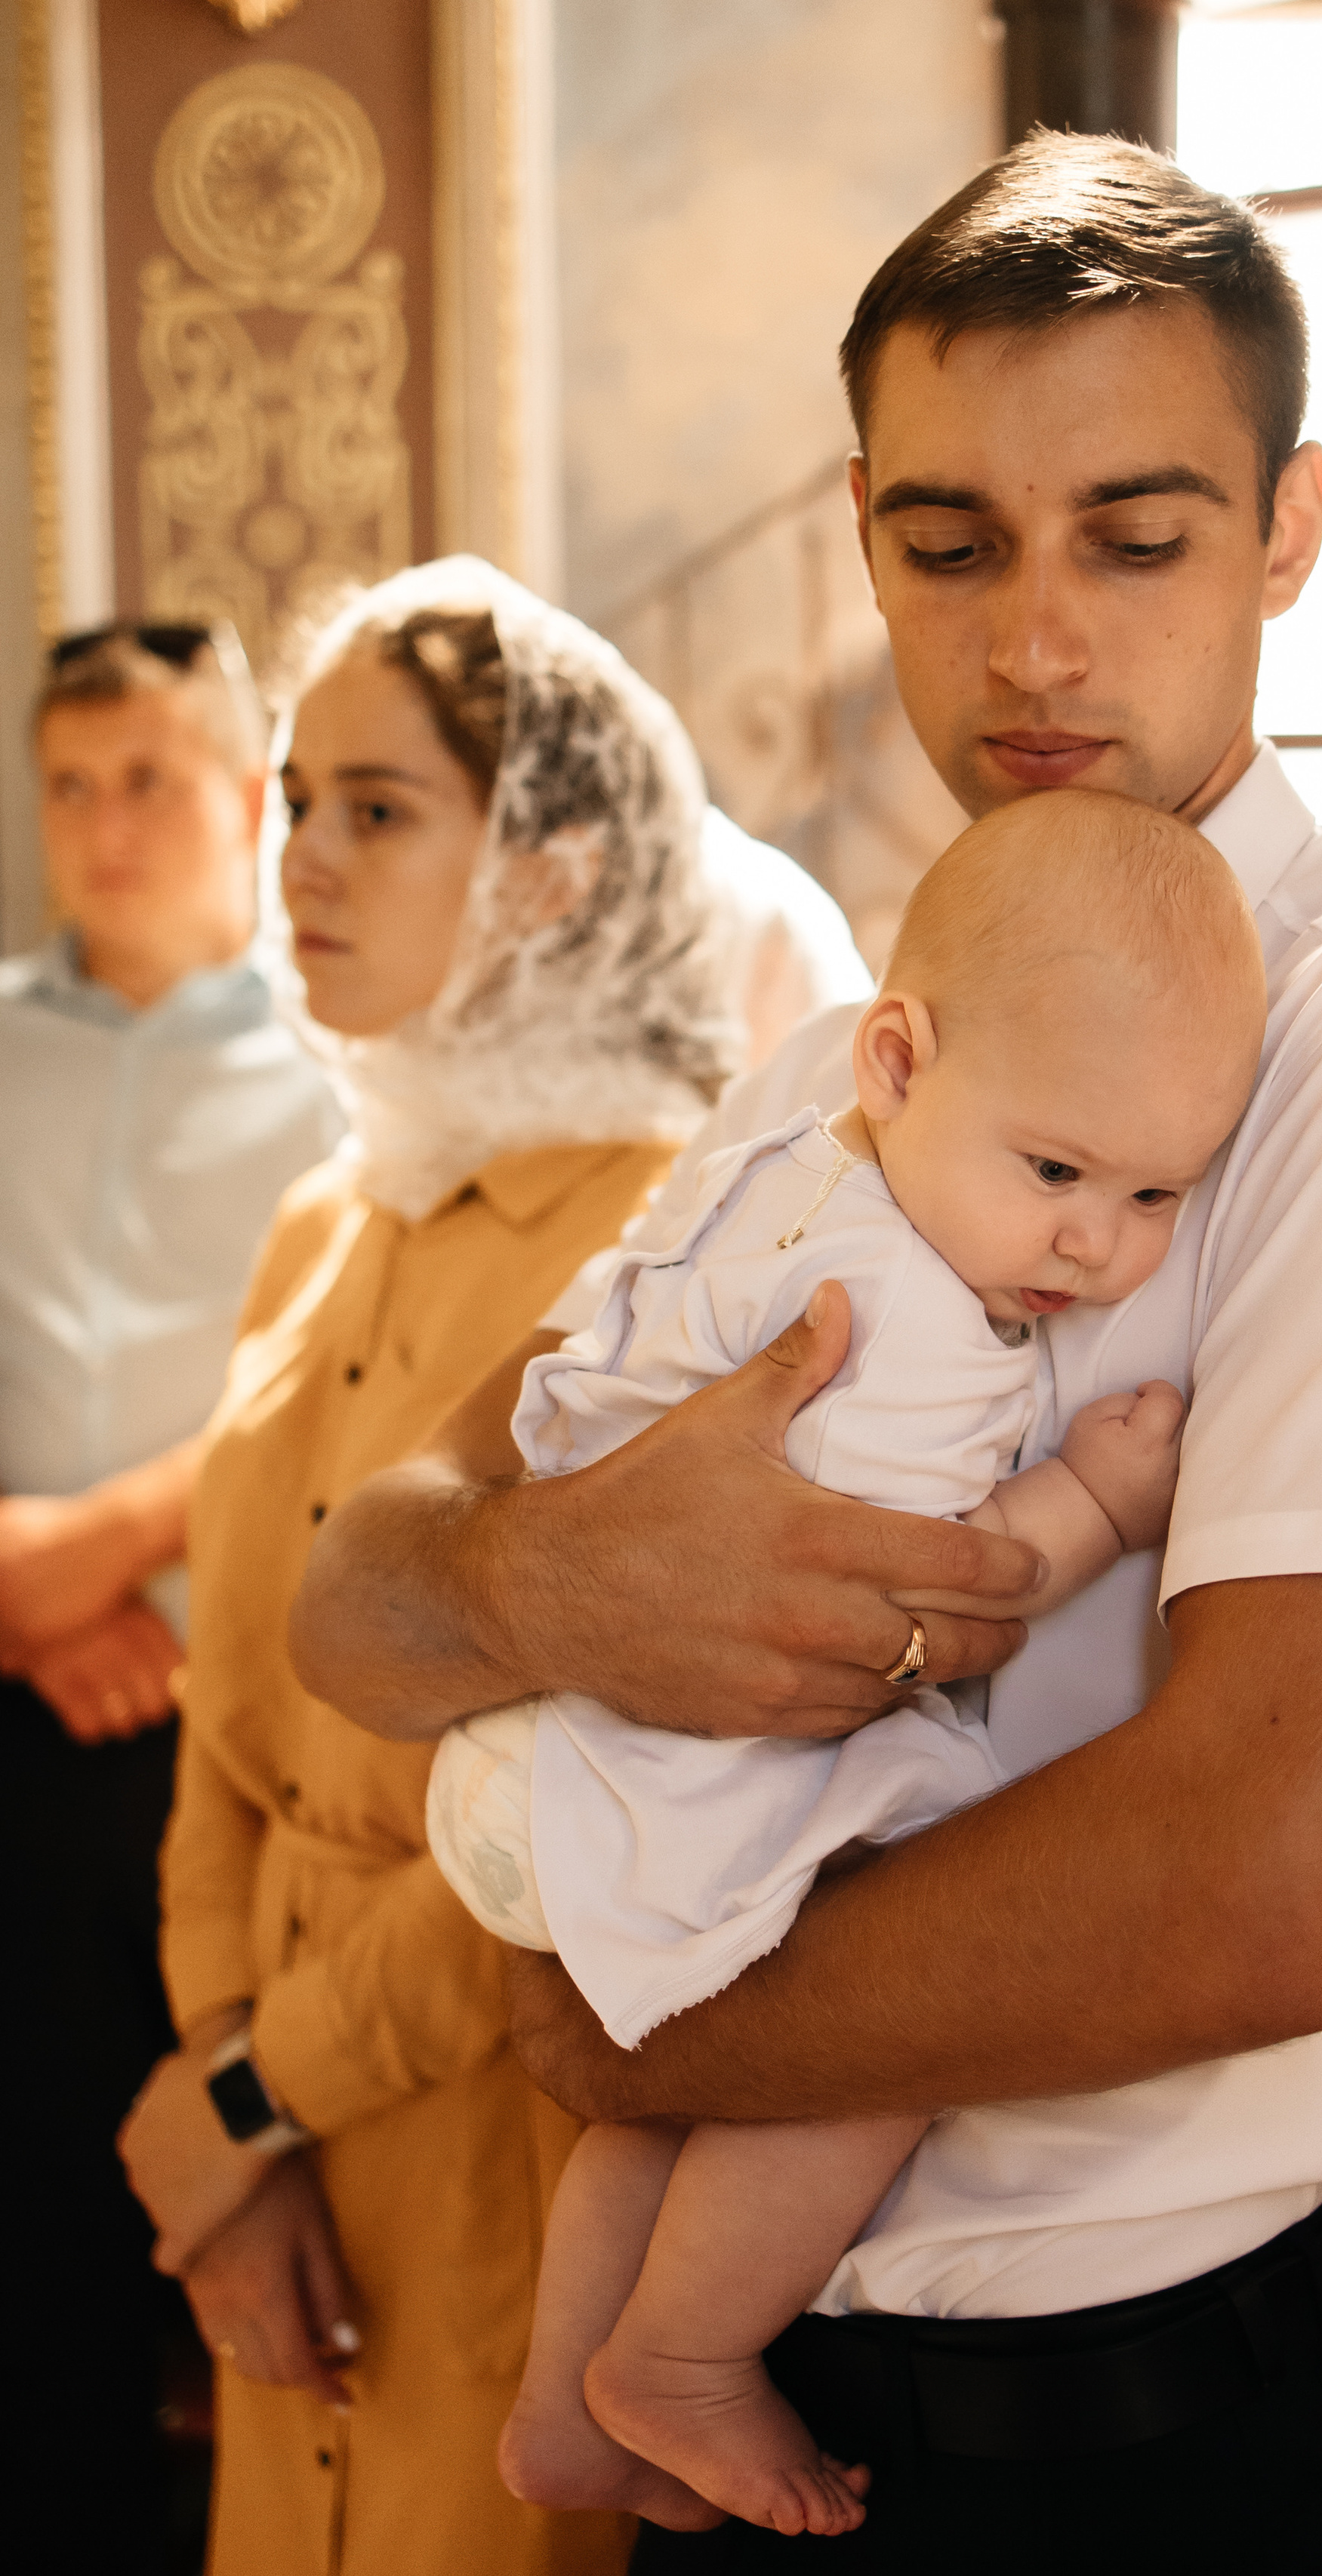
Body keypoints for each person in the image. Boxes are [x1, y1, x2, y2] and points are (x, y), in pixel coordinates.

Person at [294, 137, 1322, 2568]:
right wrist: (564, 1580)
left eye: (1134, 540)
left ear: (1289, 528)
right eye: (949, 545)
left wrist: (633, 2012)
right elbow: (363, 1589)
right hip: (742, 2398)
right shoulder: (849, 1051)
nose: (1032, 640)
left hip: (1141, 2425)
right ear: (864, 537)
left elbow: (1269, 1879)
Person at [431, 791, 1265, 2537]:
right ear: (894, 1057)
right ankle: (679, 2360)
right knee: (881, 2031)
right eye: (1055, 1172)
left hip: (553, 1751)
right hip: (681, 1767)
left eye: (1152, 1196)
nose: (1094, 1244)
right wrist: (1095, 1500)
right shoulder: (901, 1328)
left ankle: (565, 2408)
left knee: (674, 2083)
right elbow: (932, 1592)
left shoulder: (784, 1166)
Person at [113, 556, 806, 2576]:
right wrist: (230, 2097)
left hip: (511, 2122)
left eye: (380, 807)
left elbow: (600, 1794)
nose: (304, 855)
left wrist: (257, 2091)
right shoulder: (322, 1220)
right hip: (269, 2124)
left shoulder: (674, 1244)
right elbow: (228, 1725)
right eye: (296, 798)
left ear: (554, 873)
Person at [1, 621, 341, 2574]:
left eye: (148, 778)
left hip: (247, 1720)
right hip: (16, 1705)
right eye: (69, 782)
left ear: (243, 797)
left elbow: (342, 1390)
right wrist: (23, 1594)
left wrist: (105, 1547)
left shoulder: (339, 1069)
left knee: (261, 2228)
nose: (105, 822)